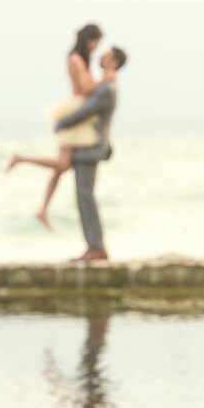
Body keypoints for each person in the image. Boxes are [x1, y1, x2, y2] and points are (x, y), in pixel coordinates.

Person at [6, 24, 103, 230]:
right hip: (74, 110)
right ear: (89, 40)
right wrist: (105, 79)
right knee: (62, 164)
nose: (97, 47)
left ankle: (43, 209)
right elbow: (84, 89)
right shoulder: (76, 59)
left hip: (78, 109)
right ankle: (21, 158)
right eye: (96, 42)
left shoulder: (81, 59)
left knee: (61, 167)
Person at [55, 46, 126, 262]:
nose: (101, 55)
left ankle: (96, 247)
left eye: (107, 54)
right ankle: (93, 246)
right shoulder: (105, 84)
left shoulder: (107, 88)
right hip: (89, 147)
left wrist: (62, 122)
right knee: (84, 196)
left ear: (113, 62)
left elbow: (88, 110)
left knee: (85, 196)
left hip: (91, 148)